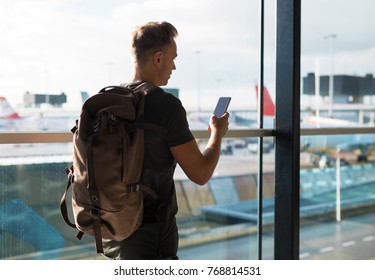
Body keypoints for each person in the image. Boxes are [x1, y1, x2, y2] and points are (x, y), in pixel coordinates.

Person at [102, 21, 229, 260]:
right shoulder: (165, 105)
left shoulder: (109, 100)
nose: (174, 67)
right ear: (158, 58)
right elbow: (200, 174)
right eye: (173, 58)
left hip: (110, 231)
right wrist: (217, 134)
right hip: (151, 237)